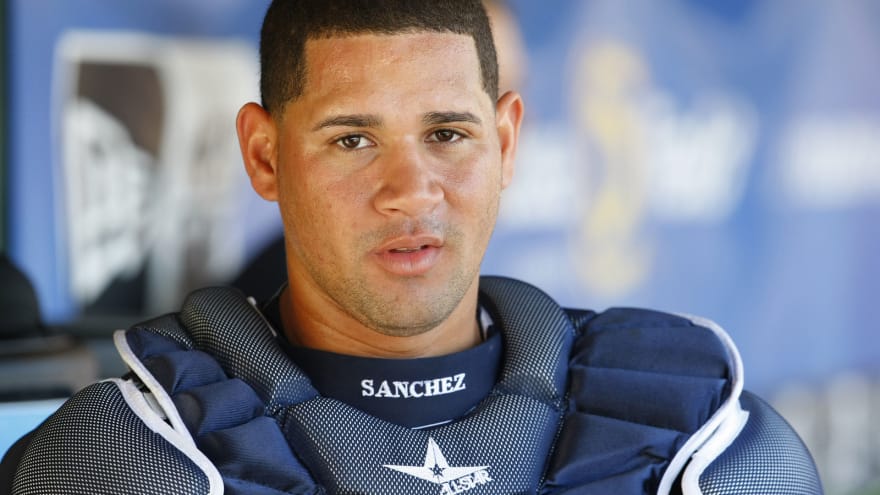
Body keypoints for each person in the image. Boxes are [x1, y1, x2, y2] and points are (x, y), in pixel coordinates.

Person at [1, 1, 822, 494]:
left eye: (448, 133)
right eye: (353, 139)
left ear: (506, 142)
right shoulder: (133, 462)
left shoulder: (705, 449)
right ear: (264, 155)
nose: (412, 191)